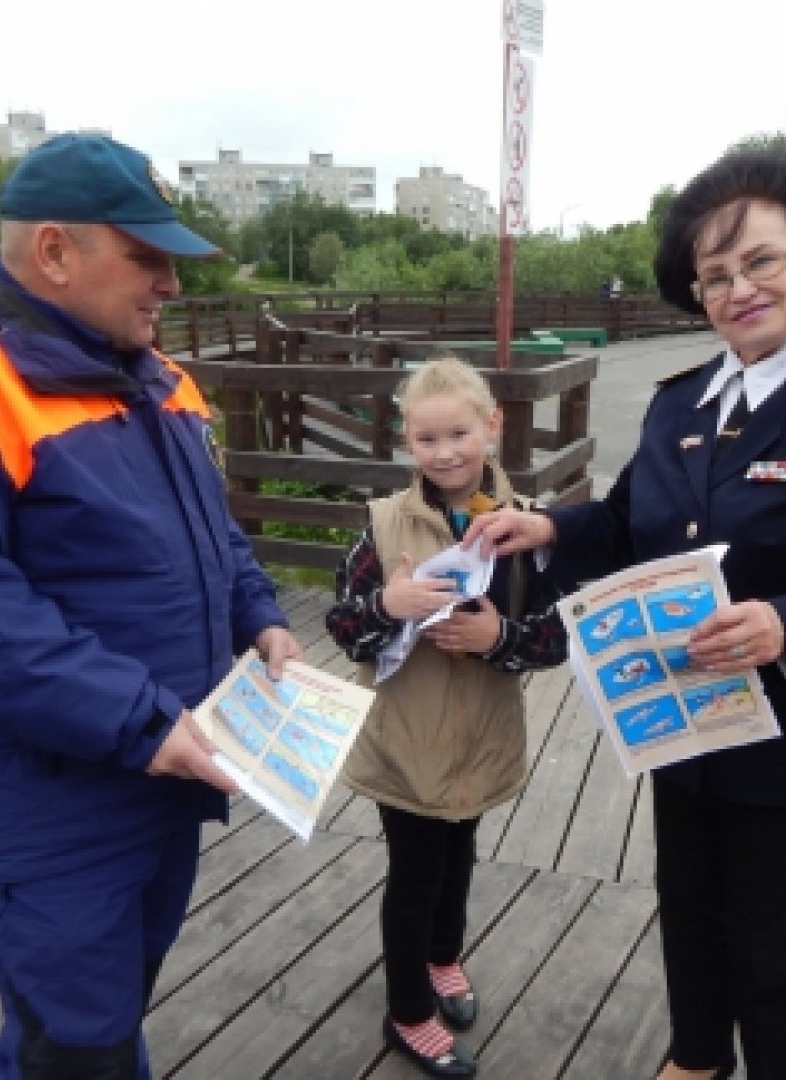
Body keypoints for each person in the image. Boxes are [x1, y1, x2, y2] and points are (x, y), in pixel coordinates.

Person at [464, 149, 786, 1079]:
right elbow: (629, 522)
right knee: (689, 915)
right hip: (681, 720)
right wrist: (548, 527)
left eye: (760, 260)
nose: (739, 290)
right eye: (715, 275)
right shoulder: (679, 403)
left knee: (780, 961)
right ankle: (695, 1060)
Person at [0, 133, 303, 1080]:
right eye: (147, 257)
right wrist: (137, 719)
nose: (170, 285)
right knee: (73, 1048)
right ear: (53, 251)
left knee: (109, 1016)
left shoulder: (154, 373)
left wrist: (260, 614)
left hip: (161, 775)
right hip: (42, 813)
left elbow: (211, 529)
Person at [325, 358, 568, 1078]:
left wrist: (498, 638)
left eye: (458, 433)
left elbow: (557, 636)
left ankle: (442, 958)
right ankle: (407, 1012)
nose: (445, 452)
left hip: (482, 734)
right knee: (415, 874)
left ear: (491, 426)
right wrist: (387, 606)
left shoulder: (528, 524)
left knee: (459, 854)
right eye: (427, 439)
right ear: (407, 441)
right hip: (406, 740)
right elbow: (345, 630)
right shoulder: (382, 524)